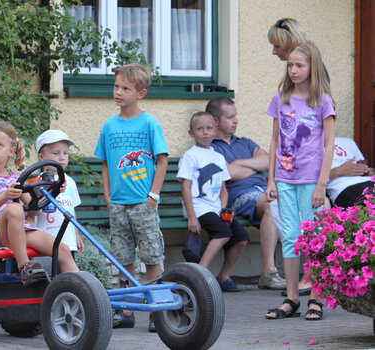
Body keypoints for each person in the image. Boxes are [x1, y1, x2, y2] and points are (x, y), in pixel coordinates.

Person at [94, 62, 168, 332]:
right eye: (116, 86)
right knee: (122, 256)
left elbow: (161, 160)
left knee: (151, 255)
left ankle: (156, 309)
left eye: (125, 88)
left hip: (143, 203)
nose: (118, 92)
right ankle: (125, 310)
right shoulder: (110, 126)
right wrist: (107, 193)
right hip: (118, 204)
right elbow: (103, 162)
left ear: (141, 93)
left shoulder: (149, 123)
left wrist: (153, 196)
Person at [265, 41, 335, 321]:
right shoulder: (281, 96)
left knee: (314, 238)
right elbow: (274, 140)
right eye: (290, 65)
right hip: (284, 178)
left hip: (311, 180)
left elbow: (329, 145)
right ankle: (292, 298)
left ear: (312, 67)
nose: (293, 70)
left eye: (299, 65)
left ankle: (316, 297)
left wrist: (322, 184)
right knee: (291, 238)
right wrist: (271, 180)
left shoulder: (322, 100)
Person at [0, 121, 79, 286]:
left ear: (11, 151)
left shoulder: (15, 179)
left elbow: (34, 210)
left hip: (19, 231)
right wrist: (6, 195)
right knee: (14, 208)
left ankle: (82, 292)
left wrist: (55, 191)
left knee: (61, 249)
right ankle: (24, 266)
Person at [207, 97, 286, 291]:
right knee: (271, 204)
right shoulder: (211, 147)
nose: (236, 120)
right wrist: (254, 164)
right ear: (216, 121)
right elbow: (229, 174)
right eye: (230, 117)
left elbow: (271, 161)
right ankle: (268, 272)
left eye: (236, 116)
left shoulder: (245, 142)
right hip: (237, 196)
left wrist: (240, 164)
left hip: (264, 190)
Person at [178, 112, 249, 293]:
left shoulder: (217, 156)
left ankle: (224, 276)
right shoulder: (190, 156)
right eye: (200, 129)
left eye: (209, 128)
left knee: (241, 237)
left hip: (216, 208)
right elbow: (186, 187)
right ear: (191, 133)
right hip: (198, 208)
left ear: (215, 130)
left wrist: (224, 208)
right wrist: (192, 216)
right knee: (223, 233)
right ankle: (200, 274)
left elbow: (223, 187)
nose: (205, 133)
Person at [32, 130, 85, 256]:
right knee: (49, 273)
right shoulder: (37, 182)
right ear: (41, 157)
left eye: (65, 153)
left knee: (67, 274)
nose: (62, 157)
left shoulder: (70, 182)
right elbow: (32, 211)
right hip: (46, 240)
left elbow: (71, 210)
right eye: (56, 153)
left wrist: (76, 234)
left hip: (68, 239)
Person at [327, 137, 374, 207]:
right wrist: (337, 171)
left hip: (369, 182)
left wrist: (366, 171)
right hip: (345, 188)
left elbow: (364, 168)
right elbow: (309, 182)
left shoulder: (347, 141)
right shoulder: (308, 146)